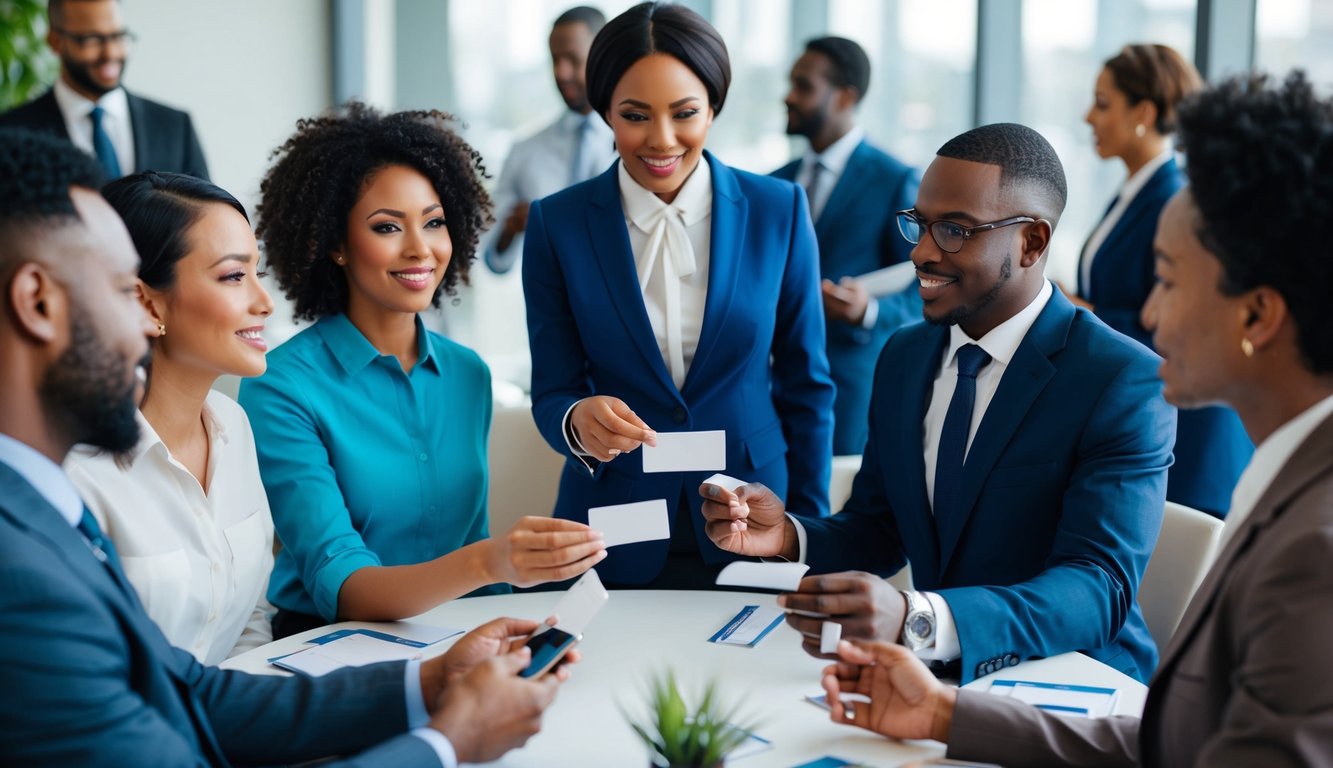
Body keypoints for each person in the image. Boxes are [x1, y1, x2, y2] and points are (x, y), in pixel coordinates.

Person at [0, 127, 568, 766]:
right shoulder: (27, 557)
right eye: (116, 291)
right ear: (37, 302)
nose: (264, 303)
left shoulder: (197, 438)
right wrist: (447, 743)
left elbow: (193, 687)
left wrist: (432, 682)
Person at [821, 70, 1333, 766]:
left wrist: (923, 634)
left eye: (1168, 280)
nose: (1147, 315)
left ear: (1256, 315)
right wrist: (945, 715)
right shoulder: (1284, 484)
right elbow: (1185, 742)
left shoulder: (1314, 544)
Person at [703, 122, 1173, 684]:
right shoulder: (905, 355)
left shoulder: (1121, 379)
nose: (923, 252)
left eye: (955, 230)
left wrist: (919, 618)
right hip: (935, 674)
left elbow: (1096, 588)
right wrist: (788, 537)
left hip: (1074, 685)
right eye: (920, 224)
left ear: (1032, 243)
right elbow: (879, 528)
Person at [238, 104, 606, 639]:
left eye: (434, 222)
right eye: (387, 227)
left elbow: (469, 550)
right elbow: (342, 584)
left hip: (466, 633)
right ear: (335, 245)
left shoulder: (468, 375)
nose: (420, 249)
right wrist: (491, 562)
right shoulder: (280, 387)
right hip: (330, 642)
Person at [524, 1, 834, 588]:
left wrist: (807, 528)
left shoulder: (779, 210)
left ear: (713, 107)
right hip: (614, 522)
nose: (661, 140)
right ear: (605, 114)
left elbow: (807, 385)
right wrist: (575, 420)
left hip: (753, 516)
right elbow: (554, 389)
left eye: (685, 113)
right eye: (635, 115)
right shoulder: (557, 224)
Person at [64, 172, 276, 665]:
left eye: (257, 272)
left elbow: (251, 622)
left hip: (238, 724)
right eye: (233, 276)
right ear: (146, 302)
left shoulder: (234, 426)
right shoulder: (75, 471)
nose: (264, 302)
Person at [1070, 43, 1250, 517]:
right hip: (1140, 398)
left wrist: (1084, 314)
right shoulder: (1135, 192)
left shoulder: (1174, 200)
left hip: (1178, 413)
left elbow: (1180, 317)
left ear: (1143, 112)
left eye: (1103, 103)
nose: (1089, 116)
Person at [772, 36, 922, 455]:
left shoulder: (894, 178)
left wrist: (869, 311)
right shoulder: (774, 183)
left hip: (847, 384)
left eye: (803, 86)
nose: (788, 96)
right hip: (770, 381)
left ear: (845, 97)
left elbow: (928, 281)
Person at [0, 0, 209, 180]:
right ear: (55, 41)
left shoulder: (175, 127)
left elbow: (207, 217)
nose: (110, 53)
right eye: (92, 39)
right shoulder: (11, 132)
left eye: (118, 36)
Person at [483, 6, 618, 275]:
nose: (561, 73)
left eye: (572, 59)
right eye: (555, 60)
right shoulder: (524, 151)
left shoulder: (637, 146)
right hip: (552, 307)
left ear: (604, 57)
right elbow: (494, 259)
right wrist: (513, 227)